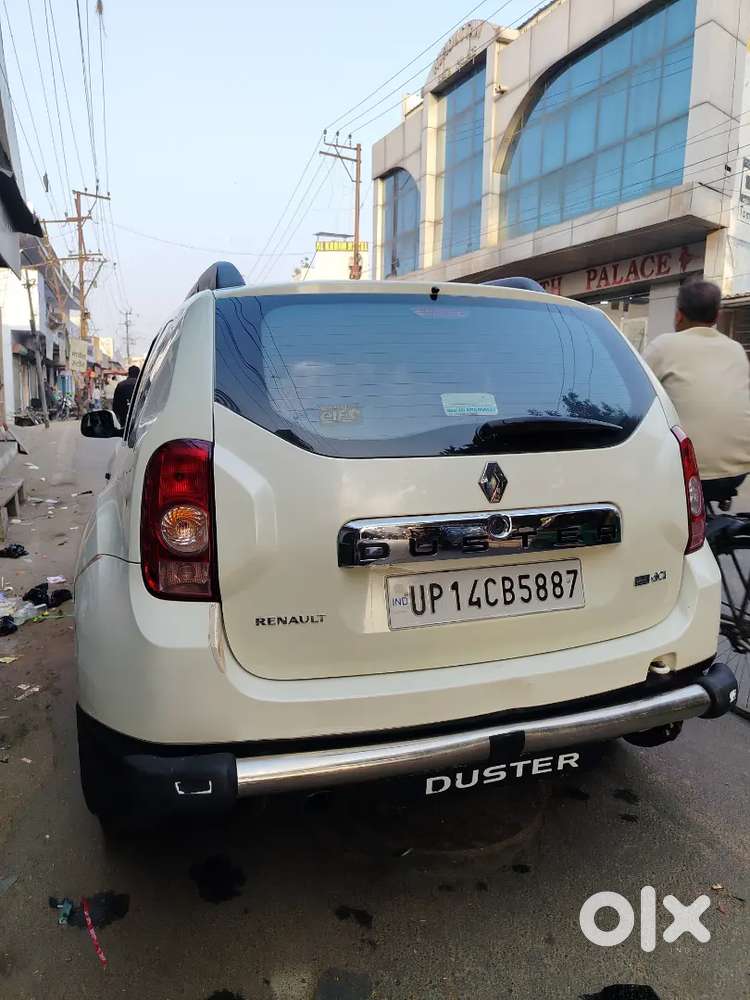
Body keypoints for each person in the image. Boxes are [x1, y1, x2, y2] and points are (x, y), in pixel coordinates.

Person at [643, 280, 750, 503]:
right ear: (717, 316)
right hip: (738, 470)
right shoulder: (736, 349)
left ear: (678, 315)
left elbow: (635, 395)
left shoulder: (663, 346)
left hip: (687, 472)